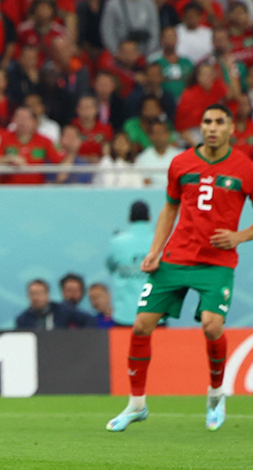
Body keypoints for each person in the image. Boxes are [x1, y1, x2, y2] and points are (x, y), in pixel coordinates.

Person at [108, 104, 253, 433]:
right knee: (142, 325)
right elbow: (169, 209)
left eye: (219, 122)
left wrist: (240, 236)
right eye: (207, 121)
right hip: (176, 257)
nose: (212, 127)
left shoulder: (244, 167)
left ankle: (216, 395)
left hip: (216, 262)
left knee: (211, 325)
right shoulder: (181, 163)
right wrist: (155, 250)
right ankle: (136, 404)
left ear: (232, 128)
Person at [107, 200, 155, 327]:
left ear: (129, 218)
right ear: (149, 218)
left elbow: (111, 267)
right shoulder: (159, 241)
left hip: (125, 315)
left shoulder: (117, 242)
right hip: (155, 313)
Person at [15, 278, 91, 330]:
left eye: (39, 293)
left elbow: (89, 320)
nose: (35, 298)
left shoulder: (62, 310)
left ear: (47, 294)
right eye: (32, 294)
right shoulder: (22, 319)